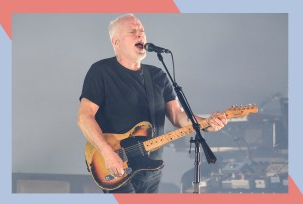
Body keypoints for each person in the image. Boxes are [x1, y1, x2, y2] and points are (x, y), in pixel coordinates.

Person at [77, 14, 228, 193]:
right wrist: (107, 153)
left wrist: (206, 123)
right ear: (115, 42)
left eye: (142, 31)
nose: (140, 35)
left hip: (151, 167)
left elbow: (178, 116)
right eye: (133, 31)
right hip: (116, 163)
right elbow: (84, 117)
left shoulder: (158, 76)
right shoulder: (101, 71)